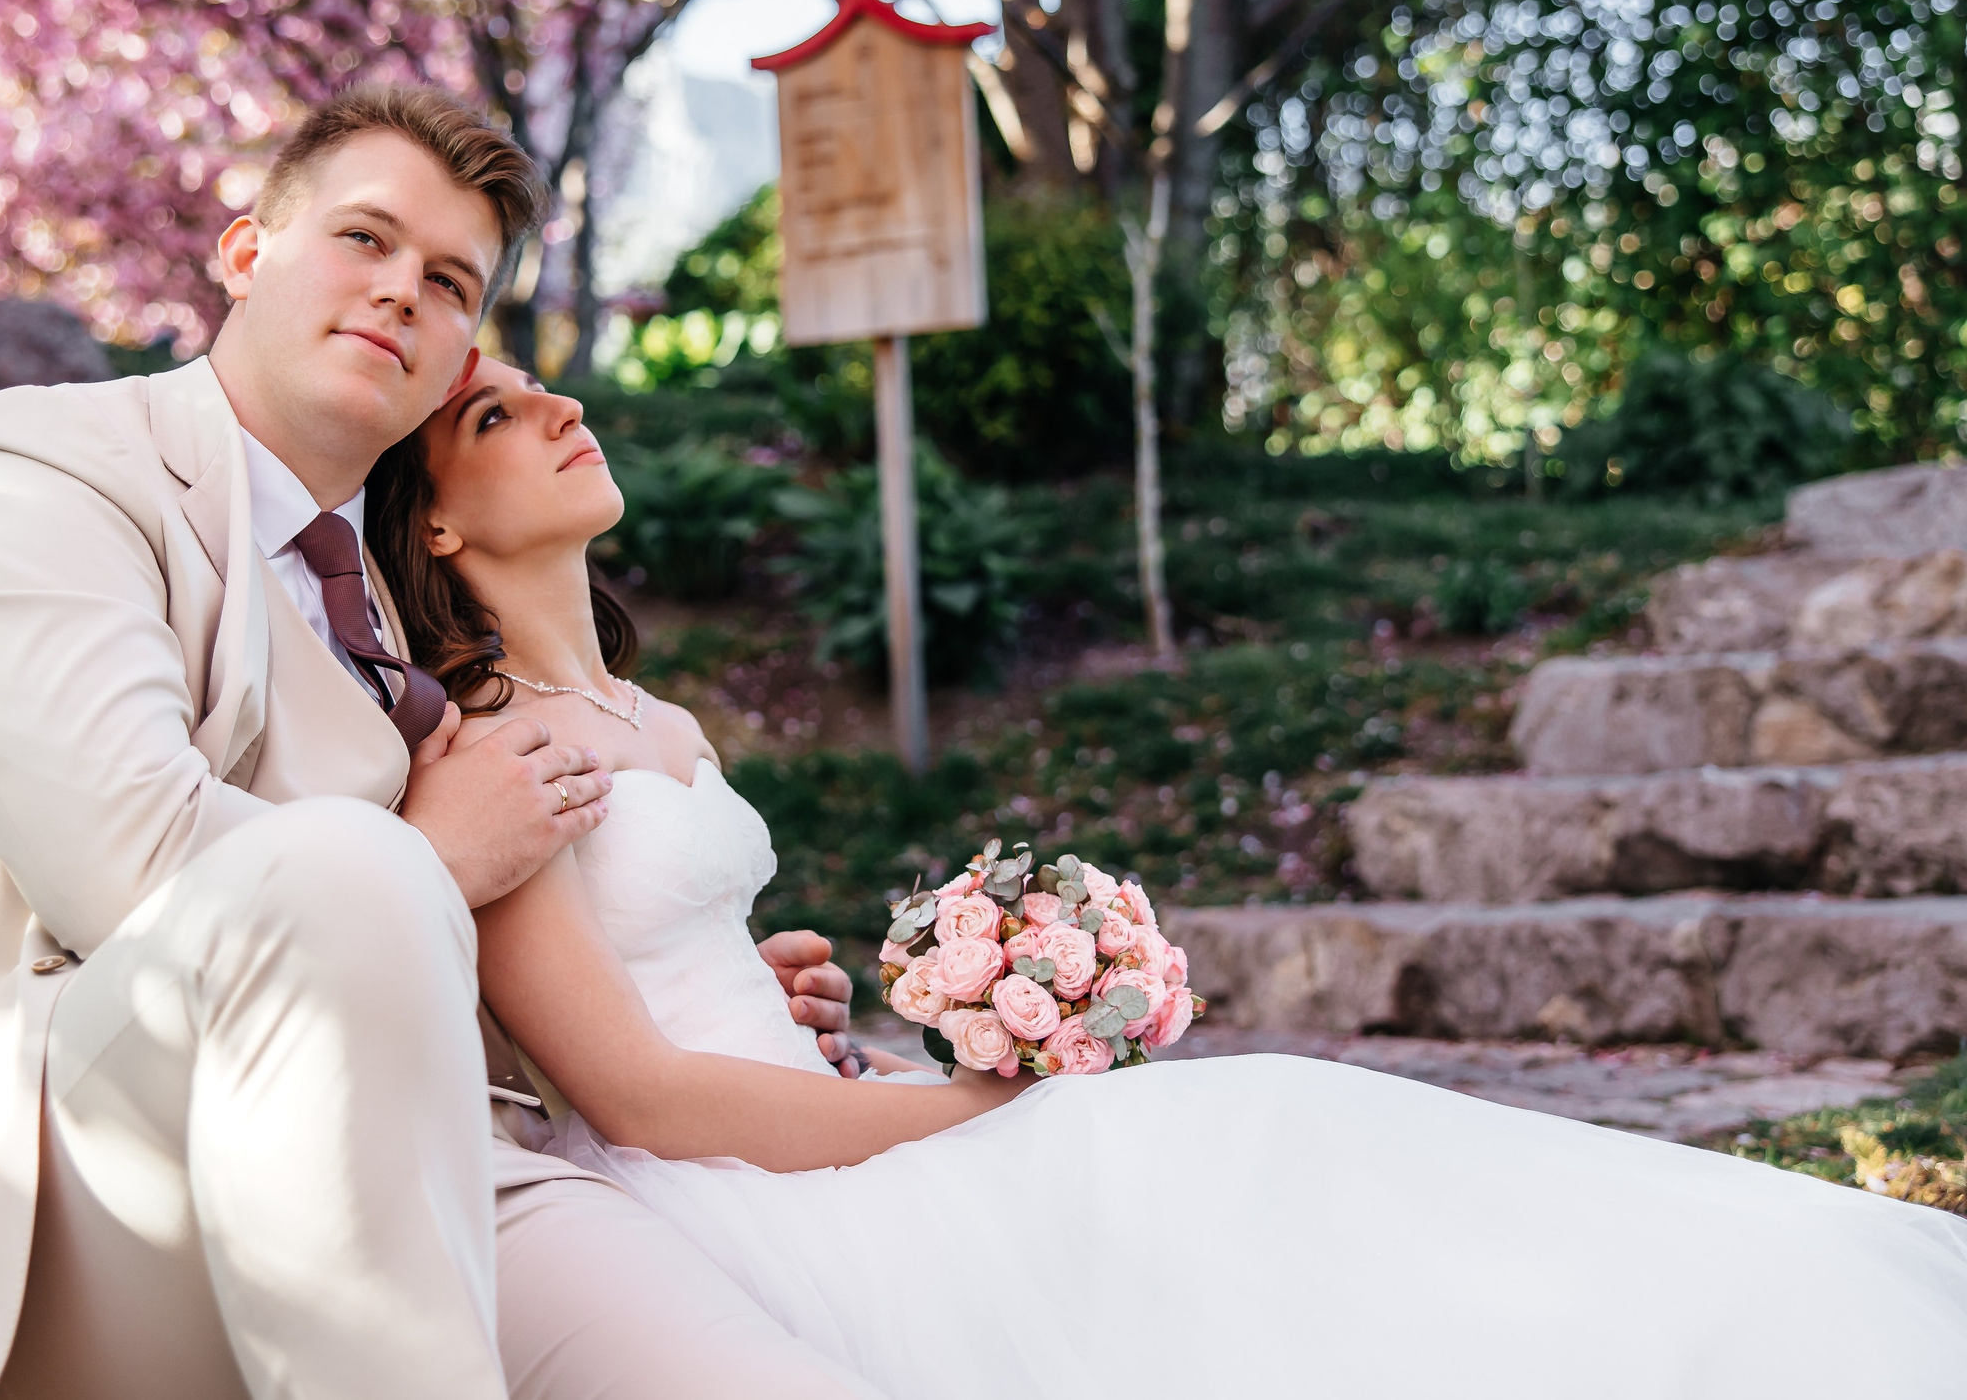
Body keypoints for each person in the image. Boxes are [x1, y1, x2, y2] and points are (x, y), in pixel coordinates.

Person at [365, 353, 1967, 1400]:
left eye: (538, 383)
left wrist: (823, 1007)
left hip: (820, 1107)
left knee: (1282, 1146)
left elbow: (689, 969)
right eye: (494, 417)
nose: (561, 403)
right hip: (739, 1194)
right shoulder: (491, 742)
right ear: (431, 523)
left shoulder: (658, 716)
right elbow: (637, 1087)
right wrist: (977, 1101)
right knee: (1250, 1131)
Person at [0, 84, 875, 1400]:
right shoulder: (37, 465)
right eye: (365, 239)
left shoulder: (396, 610)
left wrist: (672, 992)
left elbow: (442, 953)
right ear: (247, 251)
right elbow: (135, 867)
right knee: (346, 864)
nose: (401, 292)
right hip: (65, 1166)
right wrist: (428, 852)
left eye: (448, 282)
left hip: (458, 1144)